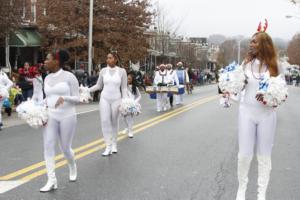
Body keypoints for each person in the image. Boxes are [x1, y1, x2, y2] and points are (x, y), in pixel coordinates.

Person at [235, 24, 281, 200]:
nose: (251, 44)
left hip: (267, 114)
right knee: (244, 154)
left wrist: (273, 98)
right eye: (250, 41)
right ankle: (241, 189)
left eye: (254, 42)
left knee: (264, 155)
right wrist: (229, 89)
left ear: (263, 44)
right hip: (246, 112)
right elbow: (236, 86)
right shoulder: (246, 63)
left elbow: (280, 92)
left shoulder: (273, 66)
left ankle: (261, 193)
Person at [40, 49, 80, 192]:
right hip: (51, 115)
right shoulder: (46, 78)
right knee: (48, 145)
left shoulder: (69, 77)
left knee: (65, 148)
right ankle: (51, 180)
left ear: (56, 61)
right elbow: (47, 97)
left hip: (67, 115)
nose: (45, 61)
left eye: (47, 59)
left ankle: (72, 164)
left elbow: (78, 98)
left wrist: (65, 98)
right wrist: (37, 107)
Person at [89, 52, 128, 156]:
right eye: (107, 58)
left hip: (117, 99)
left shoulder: (122, 71)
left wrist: (125, 101)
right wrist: (87, 90)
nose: (108, 60)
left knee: (114, 121)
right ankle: (107, 146)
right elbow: (98, 86)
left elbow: (124, 88)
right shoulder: (103, 71)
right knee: (105, 121)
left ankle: (114, 144)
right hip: (105, 98)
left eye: (110, 58)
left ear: (115, 59)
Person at [123, 73, 141, 138]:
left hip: (132, 105)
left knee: (130, 118)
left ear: (132, 80)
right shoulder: (123, 87)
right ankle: (127, 127)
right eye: (127, 79)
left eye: (129, 79)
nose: (127, 80)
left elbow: (139, 96)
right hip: (124, 104)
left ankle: (130, 131)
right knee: (124, 117)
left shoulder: (135, 88)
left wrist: (135, 102)